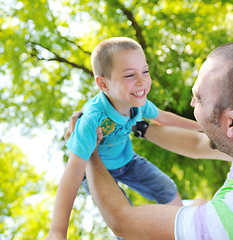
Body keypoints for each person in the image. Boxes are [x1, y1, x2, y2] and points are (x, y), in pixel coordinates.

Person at [84, 40, 233, 239]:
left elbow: (123, 221)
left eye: (199, 98)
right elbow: (196, 144)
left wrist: (90, 151)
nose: (192, 104)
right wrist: (139, 125)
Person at [45, 37, 202, 239]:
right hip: (96, 171)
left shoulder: (138, 102)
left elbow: (163, 117)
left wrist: (201, 127)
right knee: (124, 224)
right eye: (129, 75)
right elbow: (72, 173)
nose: (142, 81)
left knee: (166, 188)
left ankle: (183, 231)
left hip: (127, 161)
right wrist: (57, 232)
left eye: (145, 71)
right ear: (103, 83)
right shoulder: (92, 120)